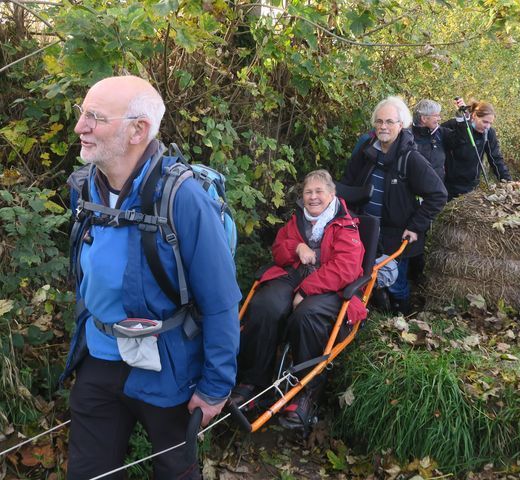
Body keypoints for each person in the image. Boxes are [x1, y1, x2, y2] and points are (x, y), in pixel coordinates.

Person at [63, 76, 240, 479]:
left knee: (175, 470)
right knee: (89, 471)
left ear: (137, 130)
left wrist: (215, 386)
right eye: (82, 113)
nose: (80, 127)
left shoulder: (183, 198)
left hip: (169, 362)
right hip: (101, 353)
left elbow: (221, 300)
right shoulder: (83, 187)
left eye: (95, 117)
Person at [230, 169, 366, 428]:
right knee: (265, 305)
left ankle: (305, 393)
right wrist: (296, 247)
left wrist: (306, 290)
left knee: (307, 315)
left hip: (331, 285)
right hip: (294, 275)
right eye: (308, 192)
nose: (313, 197)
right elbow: (279, 252)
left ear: (332, 194)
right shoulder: (297, 220)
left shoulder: (346, 224)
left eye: (319, 192)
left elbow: (345, 269)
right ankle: (252, 381)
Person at [341, 96, 448, 314]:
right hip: (364, 231)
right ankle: (371, 315)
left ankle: (403, 319)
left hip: (396, 236)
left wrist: (416, 226)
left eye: (390, 122)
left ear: (402, 124)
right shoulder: (366, 152)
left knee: (396, 284)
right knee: (363, 277)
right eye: (379, 121)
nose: (383, 126)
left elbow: (438, 194)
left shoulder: (410, 158)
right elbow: (347, 185)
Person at [442, 98, 512, 200]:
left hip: (471, 186)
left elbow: (496, 159)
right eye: (485, 122)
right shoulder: (453, 125)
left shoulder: (489, 133)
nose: (487, 126)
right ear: (474, 116)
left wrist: (507, 181)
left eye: (490, 123)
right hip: (448, 184)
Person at [411, 99, 451, 182]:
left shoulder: (441, 133)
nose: (439, 118)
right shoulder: (407, 136)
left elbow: (462, 141)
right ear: (424, 119)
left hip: (438, 189)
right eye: (436, 116)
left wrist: (462, 120)